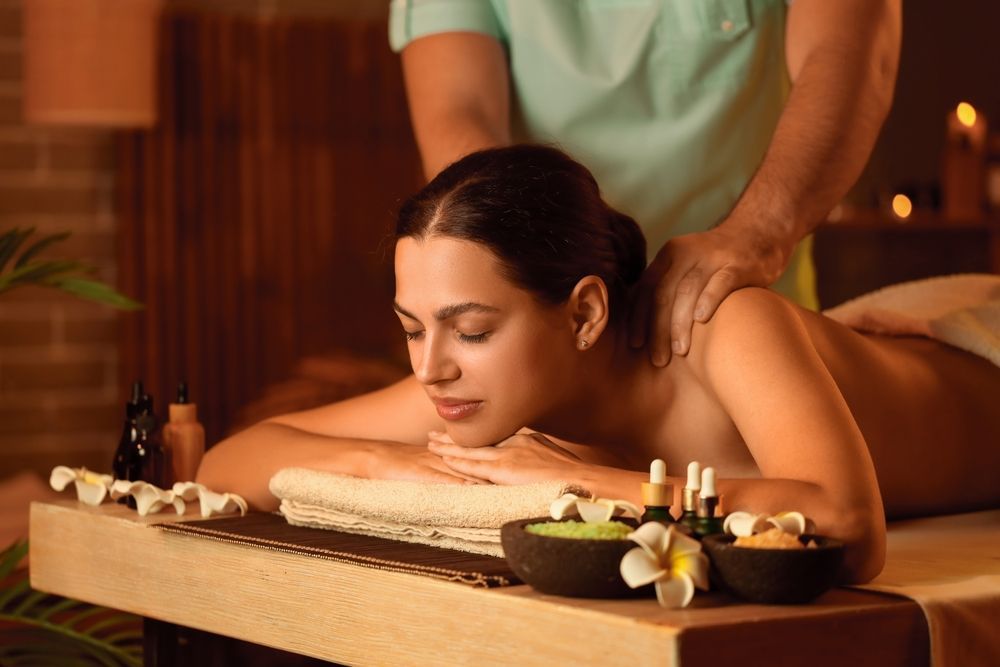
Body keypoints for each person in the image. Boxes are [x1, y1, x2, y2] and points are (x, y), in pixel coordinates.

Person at [198, 145, 1000, 584]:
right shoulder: (469, 388)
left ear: (584, 312)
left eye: (470, 329)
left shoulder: (723, 326)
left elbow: (853, 531)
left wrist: (595, 484)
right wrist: (386, 462)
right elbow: (229, 461)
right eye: (412, 328)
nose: (432, 367)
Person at [389, 0, 902, 367]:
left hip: (733, 306)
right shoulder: (525, 357)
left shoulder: (749, 355)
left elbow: (849, 55)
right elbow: (459, 110)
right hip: (546, 330)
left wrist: (758, 233)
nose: (431, 372)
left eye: (470, 331)